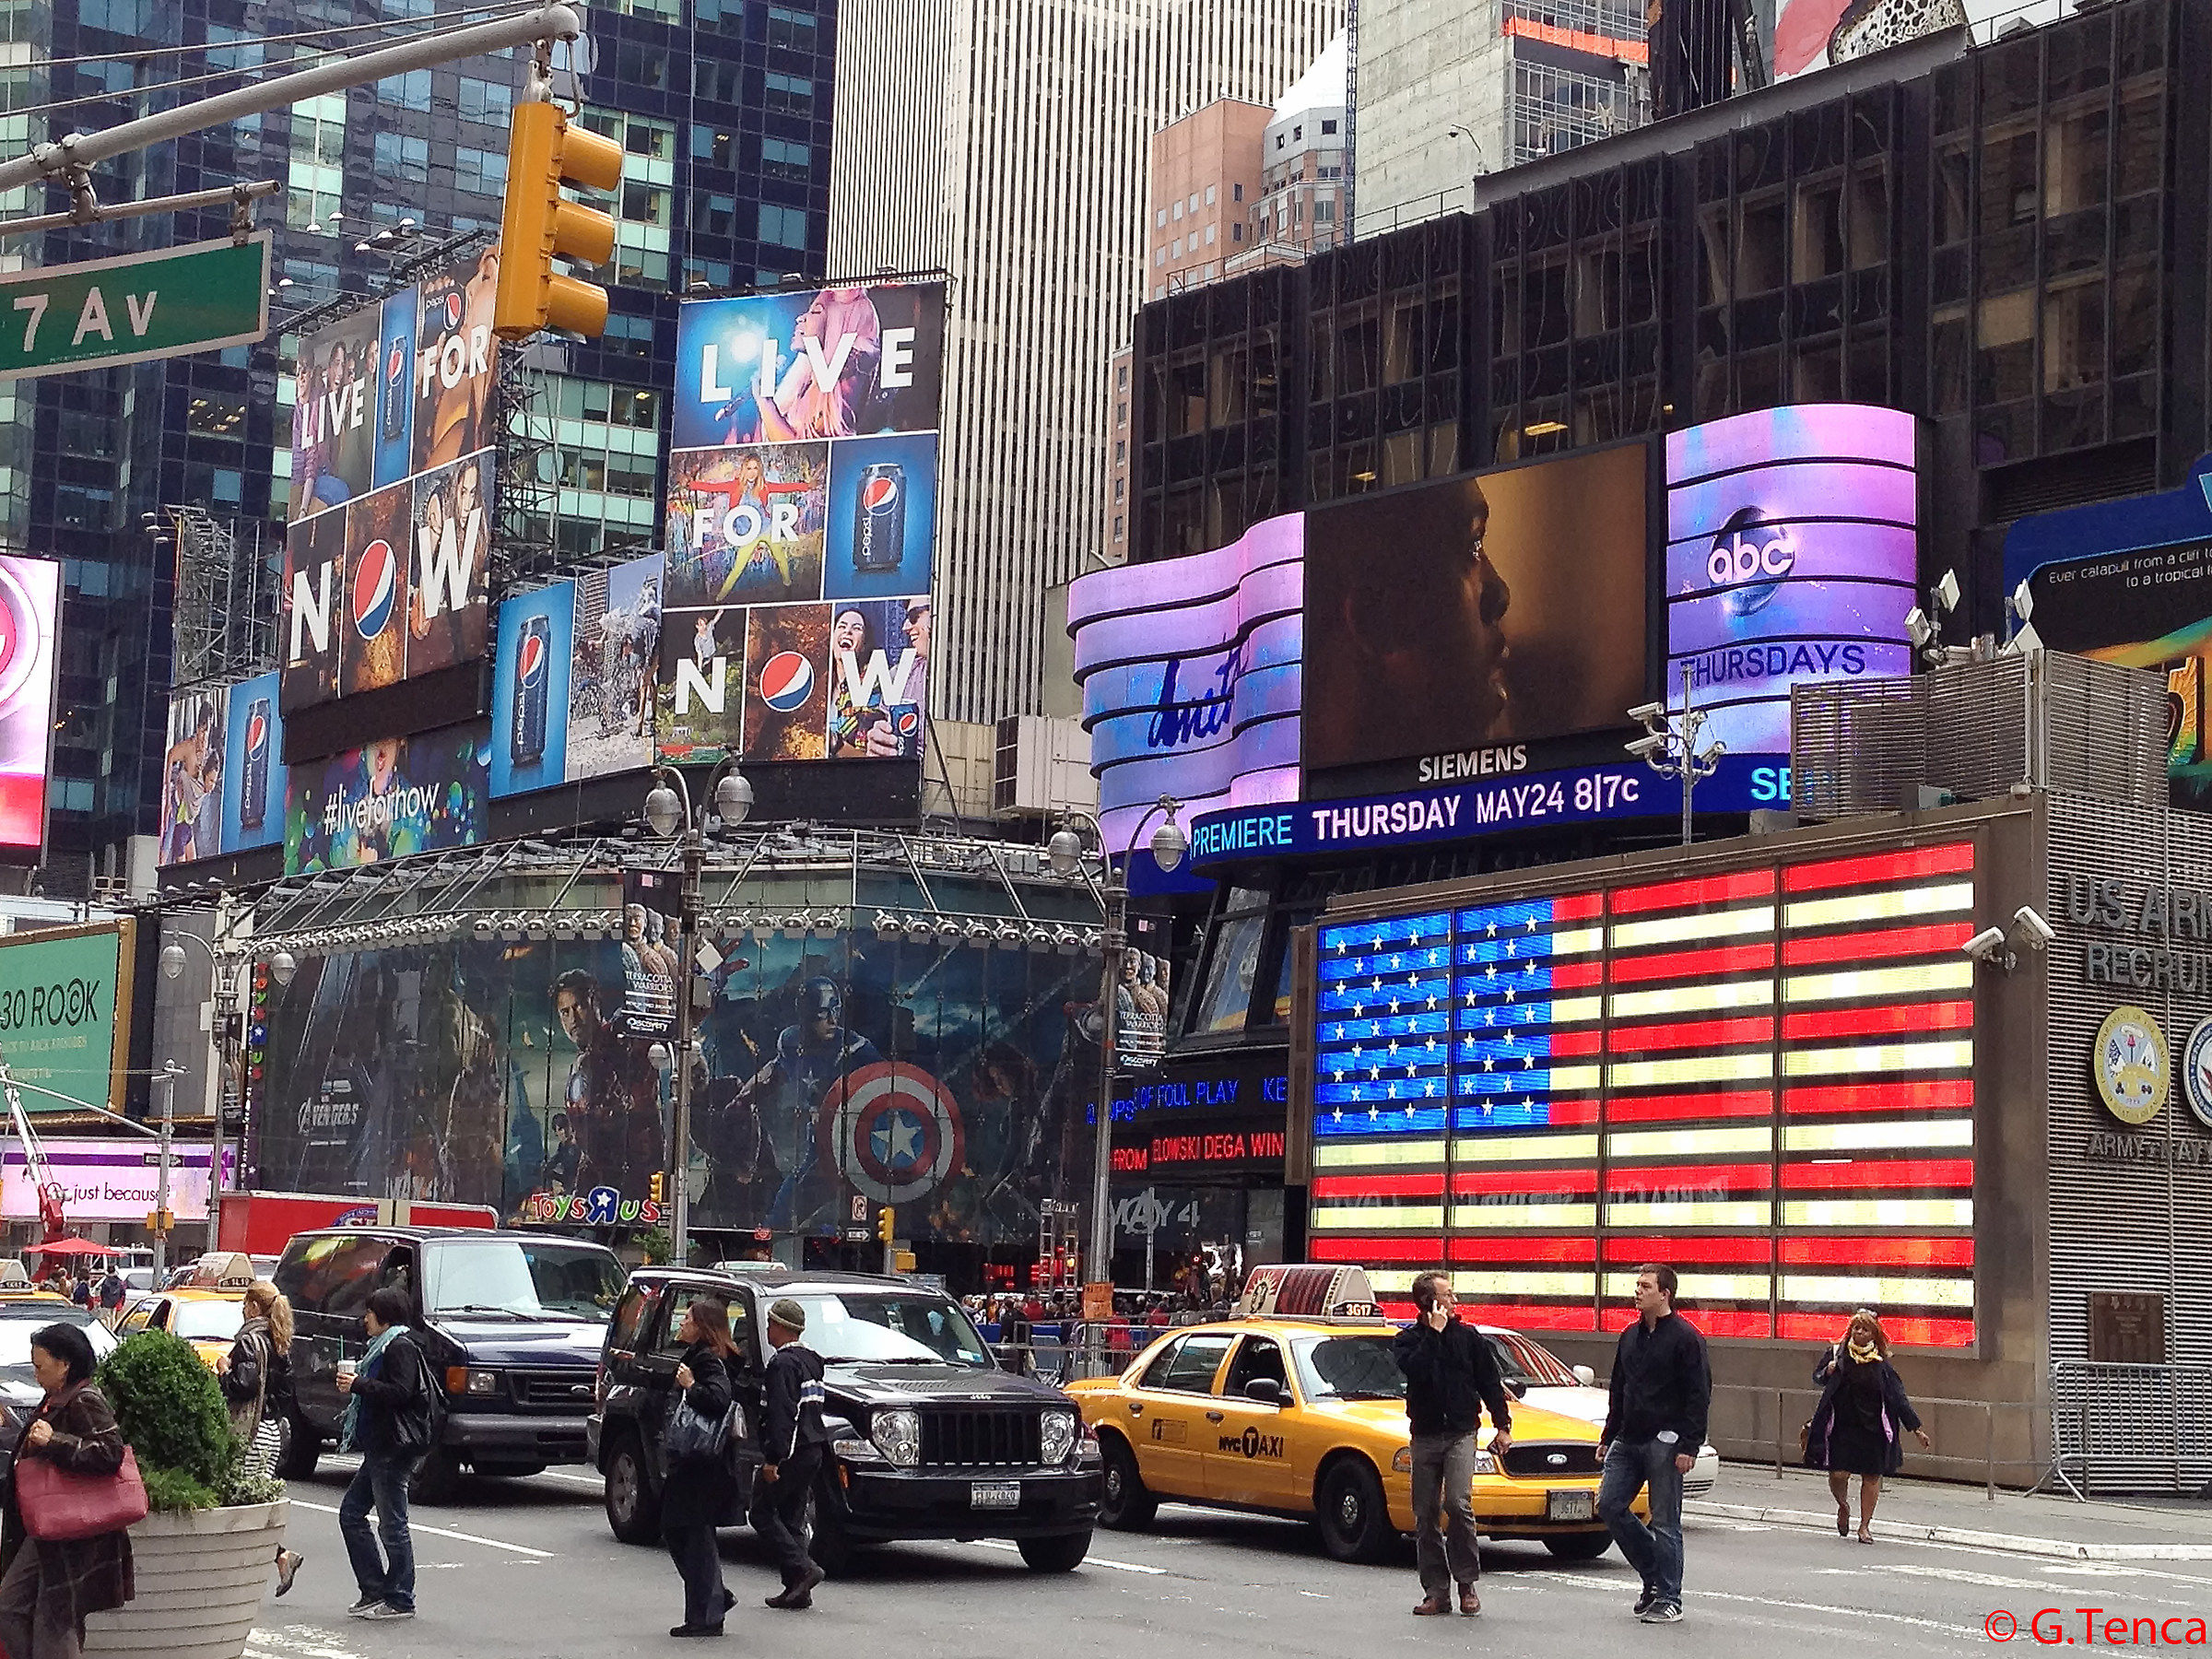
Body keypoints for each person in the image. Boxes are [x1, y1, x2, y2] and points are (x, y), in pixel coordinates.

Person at [0, 1322, 135, 1658]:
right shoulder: (56, 1397)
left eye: (40, 1366)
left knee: (55, 1620)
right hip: (47, 1527)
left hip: (73, 1532)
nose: (35, 1373)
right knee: (11, 1605)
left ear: (65, 1364)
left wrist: (53, 1441)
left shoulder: (85, 1399)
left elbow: (110, 1452)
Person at [1598, 1264, 1711, 1627]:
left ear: (1665, 1294)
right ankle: (1653, 1574)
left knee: (1665, 1521)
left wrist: (1689, 1445)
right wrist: (1608, 1436)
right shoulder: (1629, 1335)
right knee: (1609, 1505)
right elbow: (1619, 1388)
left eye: (1645, 1286)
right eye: (1637, 1285)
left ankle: (1668, 1597)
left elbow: (1699, 1394)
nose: (1637, 1291)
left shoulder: (1685, 1338)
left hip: (1666, 1440)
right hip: (1628, 1438)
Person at [1393, 1273, 1512, 1617]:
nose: (1455, 1300)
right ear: (1430, 1301)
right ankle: (1436, 1591)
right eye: (1448, 1295)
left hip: (1461, 1432)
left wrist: (1503, 1425)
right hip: (1425, 1435)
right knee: (1424, 1513)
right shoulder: (1410, 1340)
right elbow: (1416, 1371)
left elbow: (1490, 1382)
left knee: (1458, 1504)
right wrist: (1433, 1333)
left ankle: (1467, 1583)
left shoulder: (1469, 1338)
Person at [335, 1286, 431, 1622]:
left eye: (370, 1313)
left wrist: (359, 1384)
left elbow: (402, 1392)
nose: (365, 1319)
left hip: (393, 1447)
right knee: (351, 1514)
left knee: (392, 1524)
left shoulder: (399, 1346)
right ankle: (375, 1589)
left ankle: (400, 1597)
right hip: (380, 1446)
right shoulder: (382, 1346)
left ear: (384, 1316)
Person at [1804, 1309, 1931, 1543]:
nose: (1859, 1332)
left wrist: (1916, 1429)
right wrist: (1828, 1371)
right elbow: (1817, 1377)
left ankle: (1864, 1526)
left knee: (1871, 1476)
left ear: (1874, 1335)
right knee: (1838, 1473)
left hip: (1874, 1429)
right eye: (1856, 1328)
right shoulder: (1837, 1354)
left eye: (1865, 1329)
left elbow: (1898, 1398)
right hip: (1842, 1426)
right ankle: (1843, 1505)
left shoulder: (1881, 1364)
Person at [217, 1281, 307, 1596]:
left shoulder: (249, 1342)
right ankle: (281, 1557)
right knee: (252, 1502)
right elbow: (285, 1392)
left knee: (236, 1501)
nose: (243, 1309)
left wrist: (224, 1371)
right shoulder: (279, 1342)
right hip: (271, 1430)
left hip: (250, 1431)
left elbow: (244, 1386)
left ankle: (263, 1562)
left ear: (255, 1307)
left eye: (245, 1304)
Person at [663, 1299, 740, 1639]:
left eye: (688, 1318)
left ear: (702, 1326)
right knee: (683, 1532)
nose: (682, 1322)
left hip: (701, 1463)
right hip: (699, 1463)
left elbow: (718, 1399)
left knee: (692, 1536)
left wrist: (691, 1386)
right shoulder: (709, 1355)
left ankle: (707, 1614)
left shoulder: (707, 1359)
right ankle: (713, 1599)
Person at [751, 1299, 827, 1611]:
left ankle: (803, 1568)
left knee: (761, 1513)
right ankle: (797, 1589)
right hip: (814, 1449)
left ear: (782, 1327)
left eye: (770, 1324)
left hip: (792, 1452)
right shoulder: (812, 1360)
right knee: (792, 1519)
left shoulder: (782, 1364)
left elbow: (784, 1415)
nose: (768, 1329)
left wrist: (773, 1459)